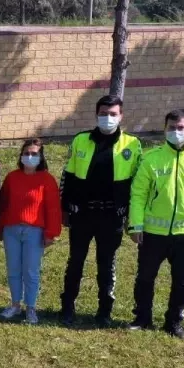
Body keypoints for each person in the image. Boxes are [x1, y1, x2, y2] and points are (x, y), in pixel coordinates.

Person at [128, 109, 184, 338]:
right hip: (153, 233)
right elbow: (138, 194)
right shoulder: (151, 159)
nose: (175, 132)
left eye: (180, 128)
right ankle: (143, 318)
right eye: (171, 127)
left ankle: (174, 322)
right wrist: (135, 225)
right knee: (145, 278)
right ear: (164, 129)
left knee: (182, 281)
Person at [58, 95, 143, 327]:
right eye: (104, 113)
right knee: (75, 261)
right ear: (96, 115)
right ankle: (67, 307)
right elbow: (68, 176)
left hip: (112, 216)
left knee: (106, 264)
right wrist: (64, 209)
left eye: (113, 114)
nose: (108, 118)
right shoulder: (80, 140)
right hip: (82, 214)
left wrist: (132, 218)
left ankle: (104, 311)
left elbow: (138, 185)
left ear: (121, 116)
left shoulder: (132, 145)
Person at [0, 139, 61, 325]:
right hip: (11, 230)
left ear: (41, 157)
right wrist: (0, 227)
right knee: (13, 269)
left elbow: (53, 208)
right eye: (26, 153)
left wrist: (51, 232)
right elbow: (3, 204)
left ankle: (31, 307)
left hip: (34, 231)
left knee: (31, 271)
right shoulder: (12, 177)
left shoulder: (47, 180)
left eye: (34, 154)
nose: (29, 157)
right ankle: (15, 304)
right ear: (21, 155)